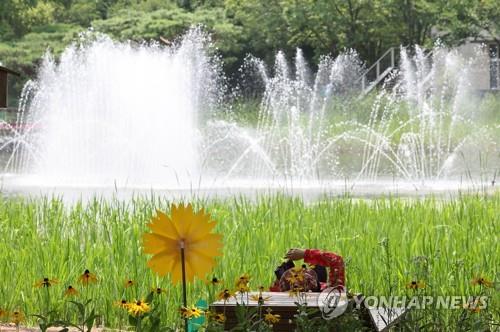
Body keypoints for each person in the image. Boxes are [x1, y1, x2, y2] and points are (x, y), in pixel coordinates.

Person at [270, 248, 345, 292]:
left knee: (318, 267)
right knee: (319, 266)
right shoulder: (332, 293)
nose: (303, 269)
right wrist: (305, 254)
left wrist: (280, 279)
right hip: (318, 290)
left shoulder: (277, 295)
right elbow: (337, 260)